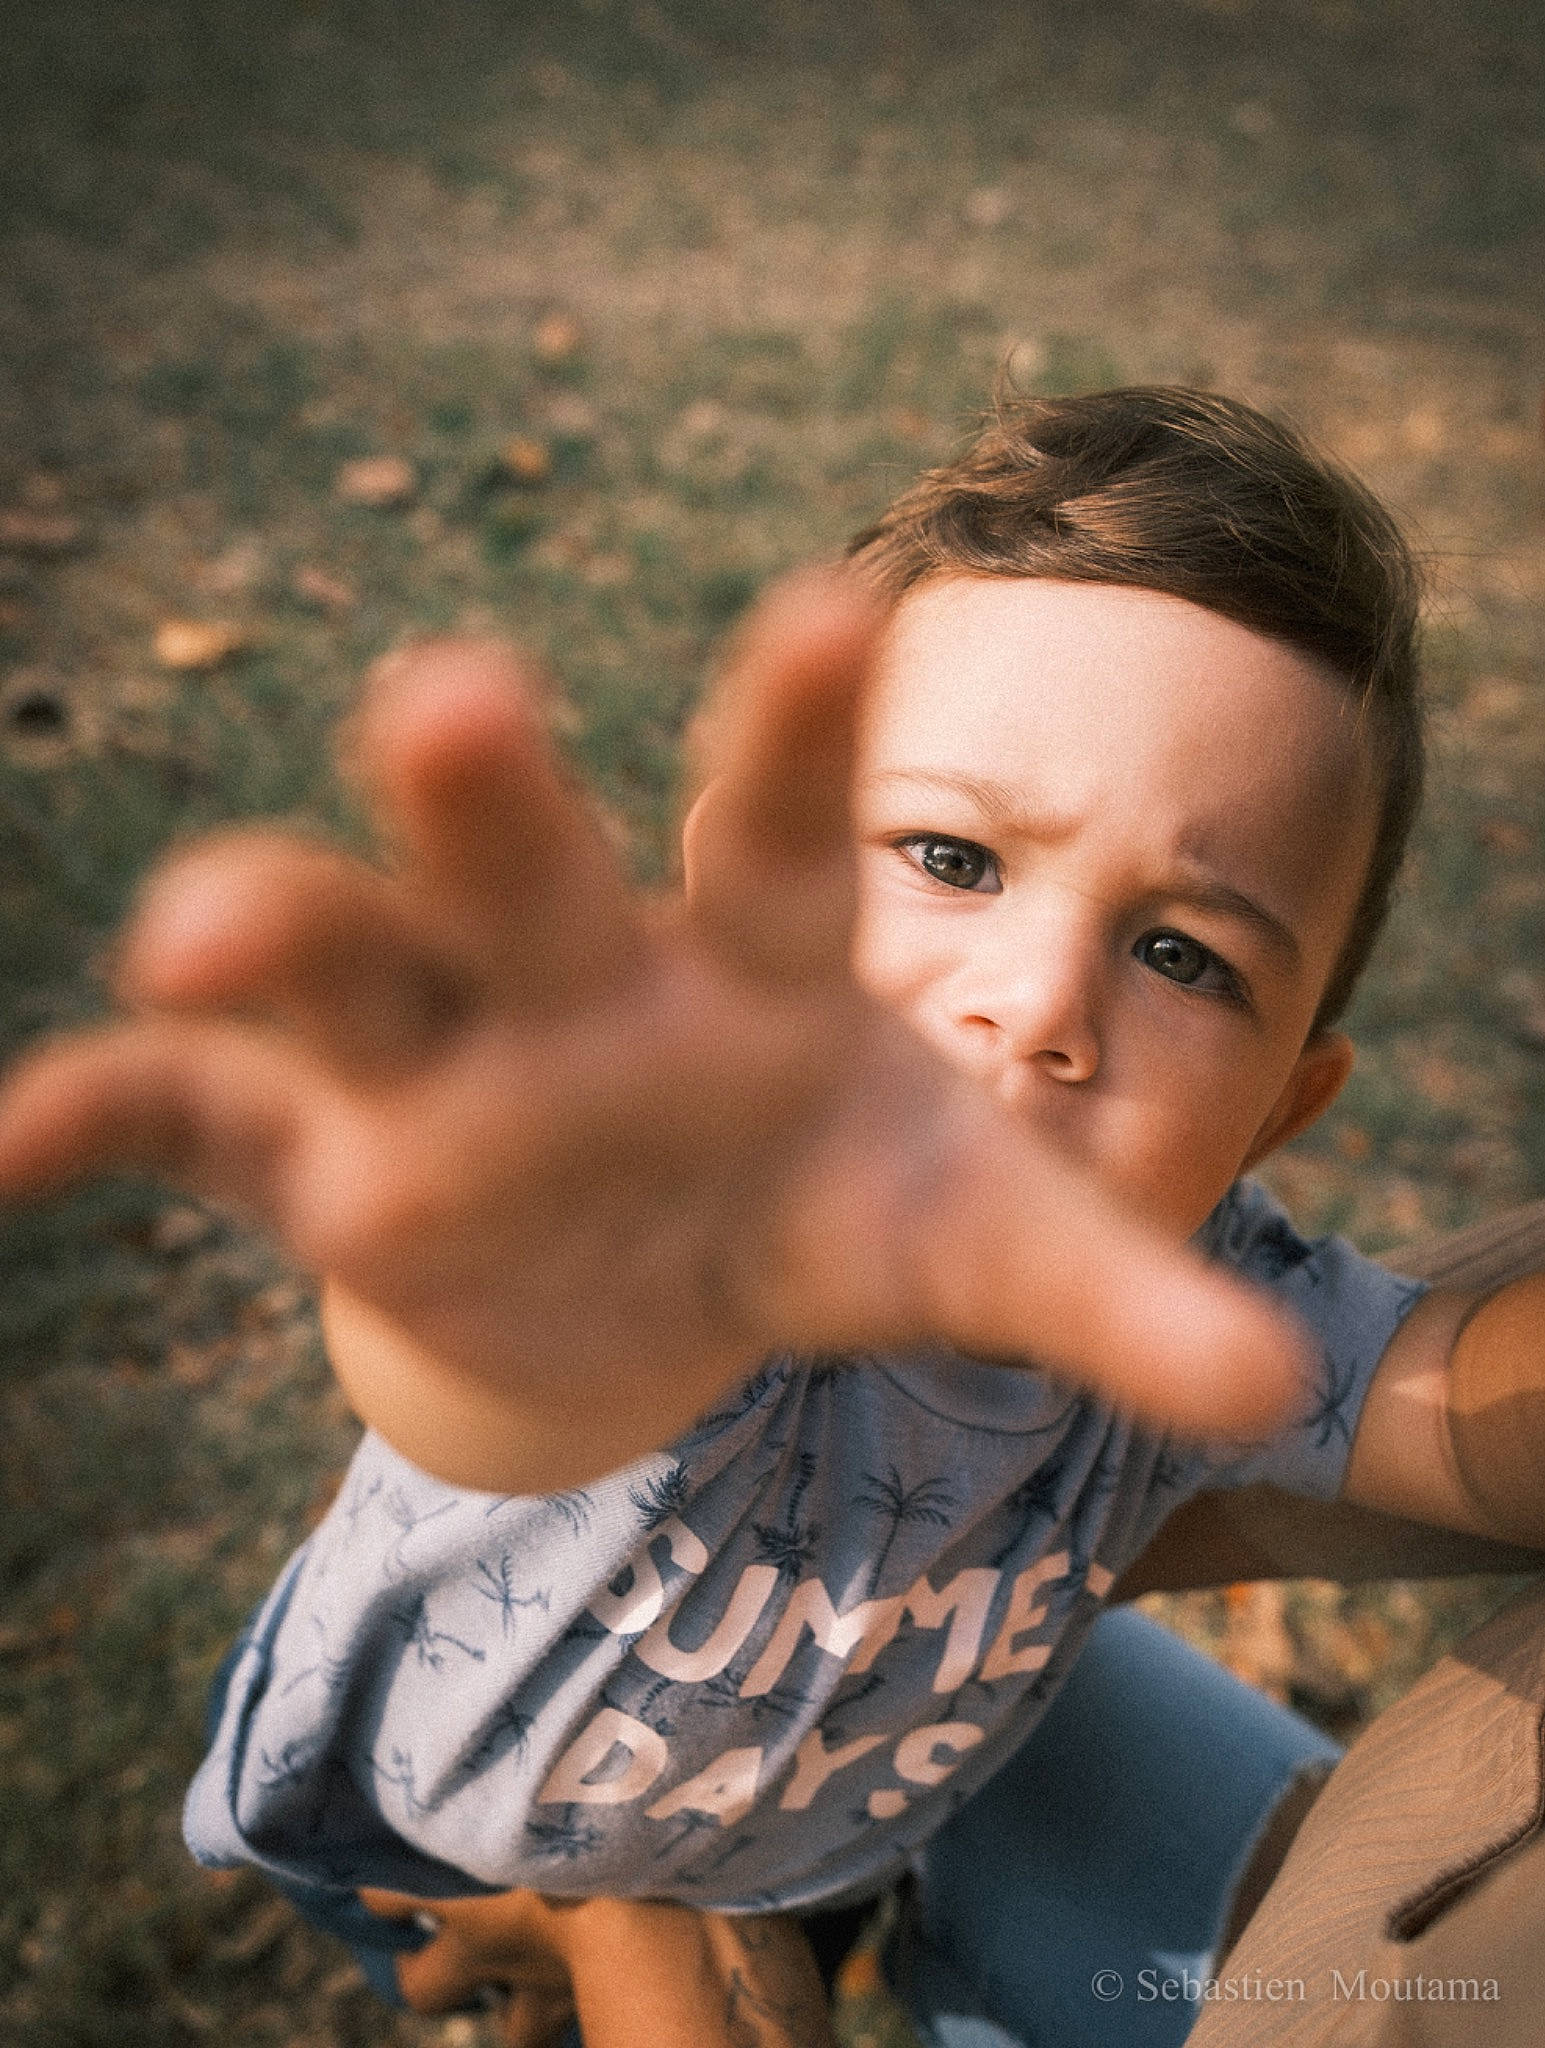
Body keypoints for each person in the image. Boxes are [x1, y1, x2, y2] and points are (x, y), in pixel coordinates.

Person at [2, 387, 1542, 2047]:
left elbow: (1468, 1421)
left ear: (1281, 1108)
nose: (1036, 1005)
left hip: (818, 1840)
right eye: (951, 857)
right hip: (438, 1846)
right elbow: (503, 1393)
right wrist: (486, 1296)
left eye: (1185, 957)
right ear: (746, 881)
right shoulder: (666, 1240)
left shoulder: (1211, 1310)